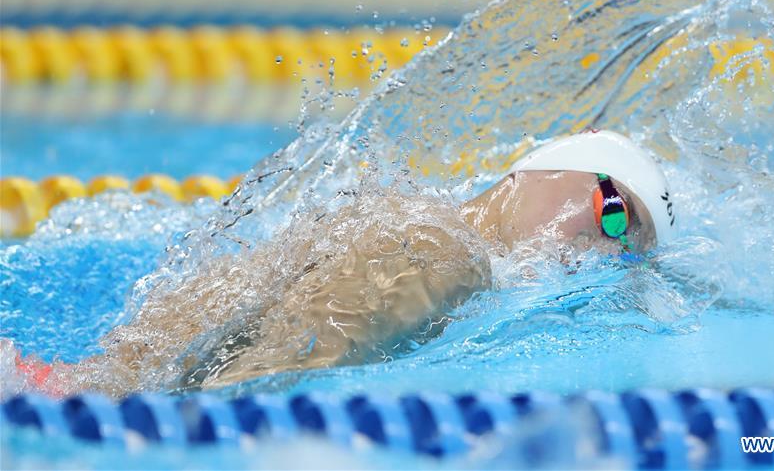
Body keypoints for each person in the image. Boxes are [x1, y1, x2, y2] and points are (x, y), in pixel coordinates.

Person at [10, 130, 674, 396]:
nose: (602, 247)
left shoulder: (413, 221)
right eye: (612, 209)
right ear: (533, 169)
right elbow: (242, 393)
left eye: (626, 251)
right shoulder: (444, 258)